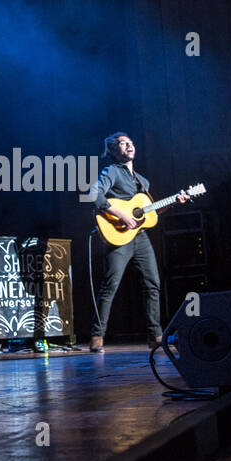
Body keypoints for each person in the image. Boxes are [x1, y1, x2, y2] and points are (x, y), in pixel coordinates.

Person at [87, 133, 183, 351]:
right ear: (113, 151)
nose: (128, 145)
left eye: (130, 142)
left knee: (153, 283)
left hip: (140, 237)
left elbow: (150, 213)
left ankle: (155, 336)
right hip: (119, 236)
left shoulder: (142, 181)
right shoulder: (111, 171)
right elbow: (94, 194)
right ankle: (97, 335)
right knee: (111, 285)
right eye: (122, 143)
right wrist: (122, 216)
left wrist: (174, 201)